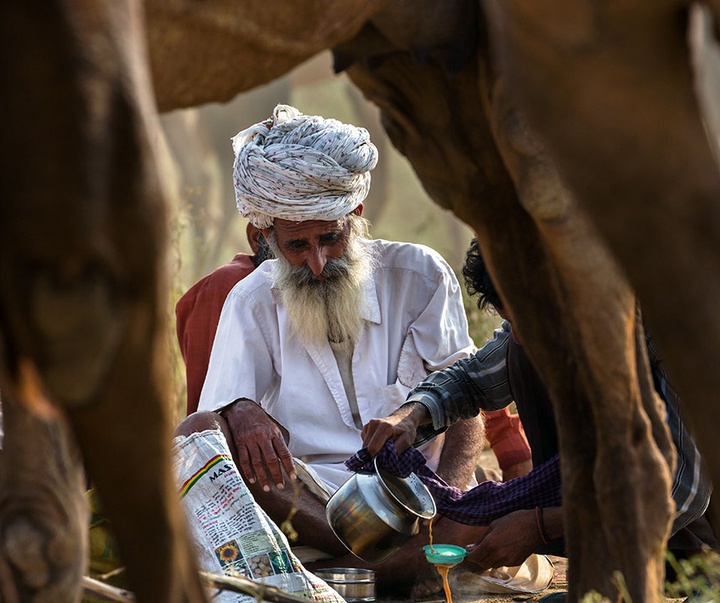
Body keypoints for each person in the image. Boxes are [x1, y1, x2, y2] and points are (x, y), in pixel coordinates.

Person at [174, 104, 489, 594]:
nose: (317, 263)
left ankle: (382, 562)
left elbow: (467, 402)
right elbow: (213, 423)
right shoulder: (252, 300)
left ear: (355, 215)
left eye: (330, 239)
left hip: (416, 496)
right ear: (269, 238)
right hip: (312, 500)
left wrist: (446, 501)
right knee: (202, 432)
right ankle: (384, 564)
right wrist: (239, 410)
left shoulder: (420, 275)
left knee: (483, 512)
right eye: (297, 247)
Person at [362, 238, 718, 584]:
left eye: (528, 321)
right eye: (511, 321)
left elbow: (682, 492)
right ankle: (604, 568)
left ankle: (696, 573)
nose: (517, 334)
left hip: (693, 530)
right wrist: (412, 415)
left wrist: (541, 525)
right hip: (621, 517)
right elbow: (471, 380)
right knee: (523, 355)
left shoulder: (676, 323)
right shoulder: (546, 318)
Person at [175, 223, 271, 415]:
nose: (316, 263)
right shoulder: (228, 287)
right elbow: (220, 402)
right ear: (256, 238)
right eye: (297, 244)